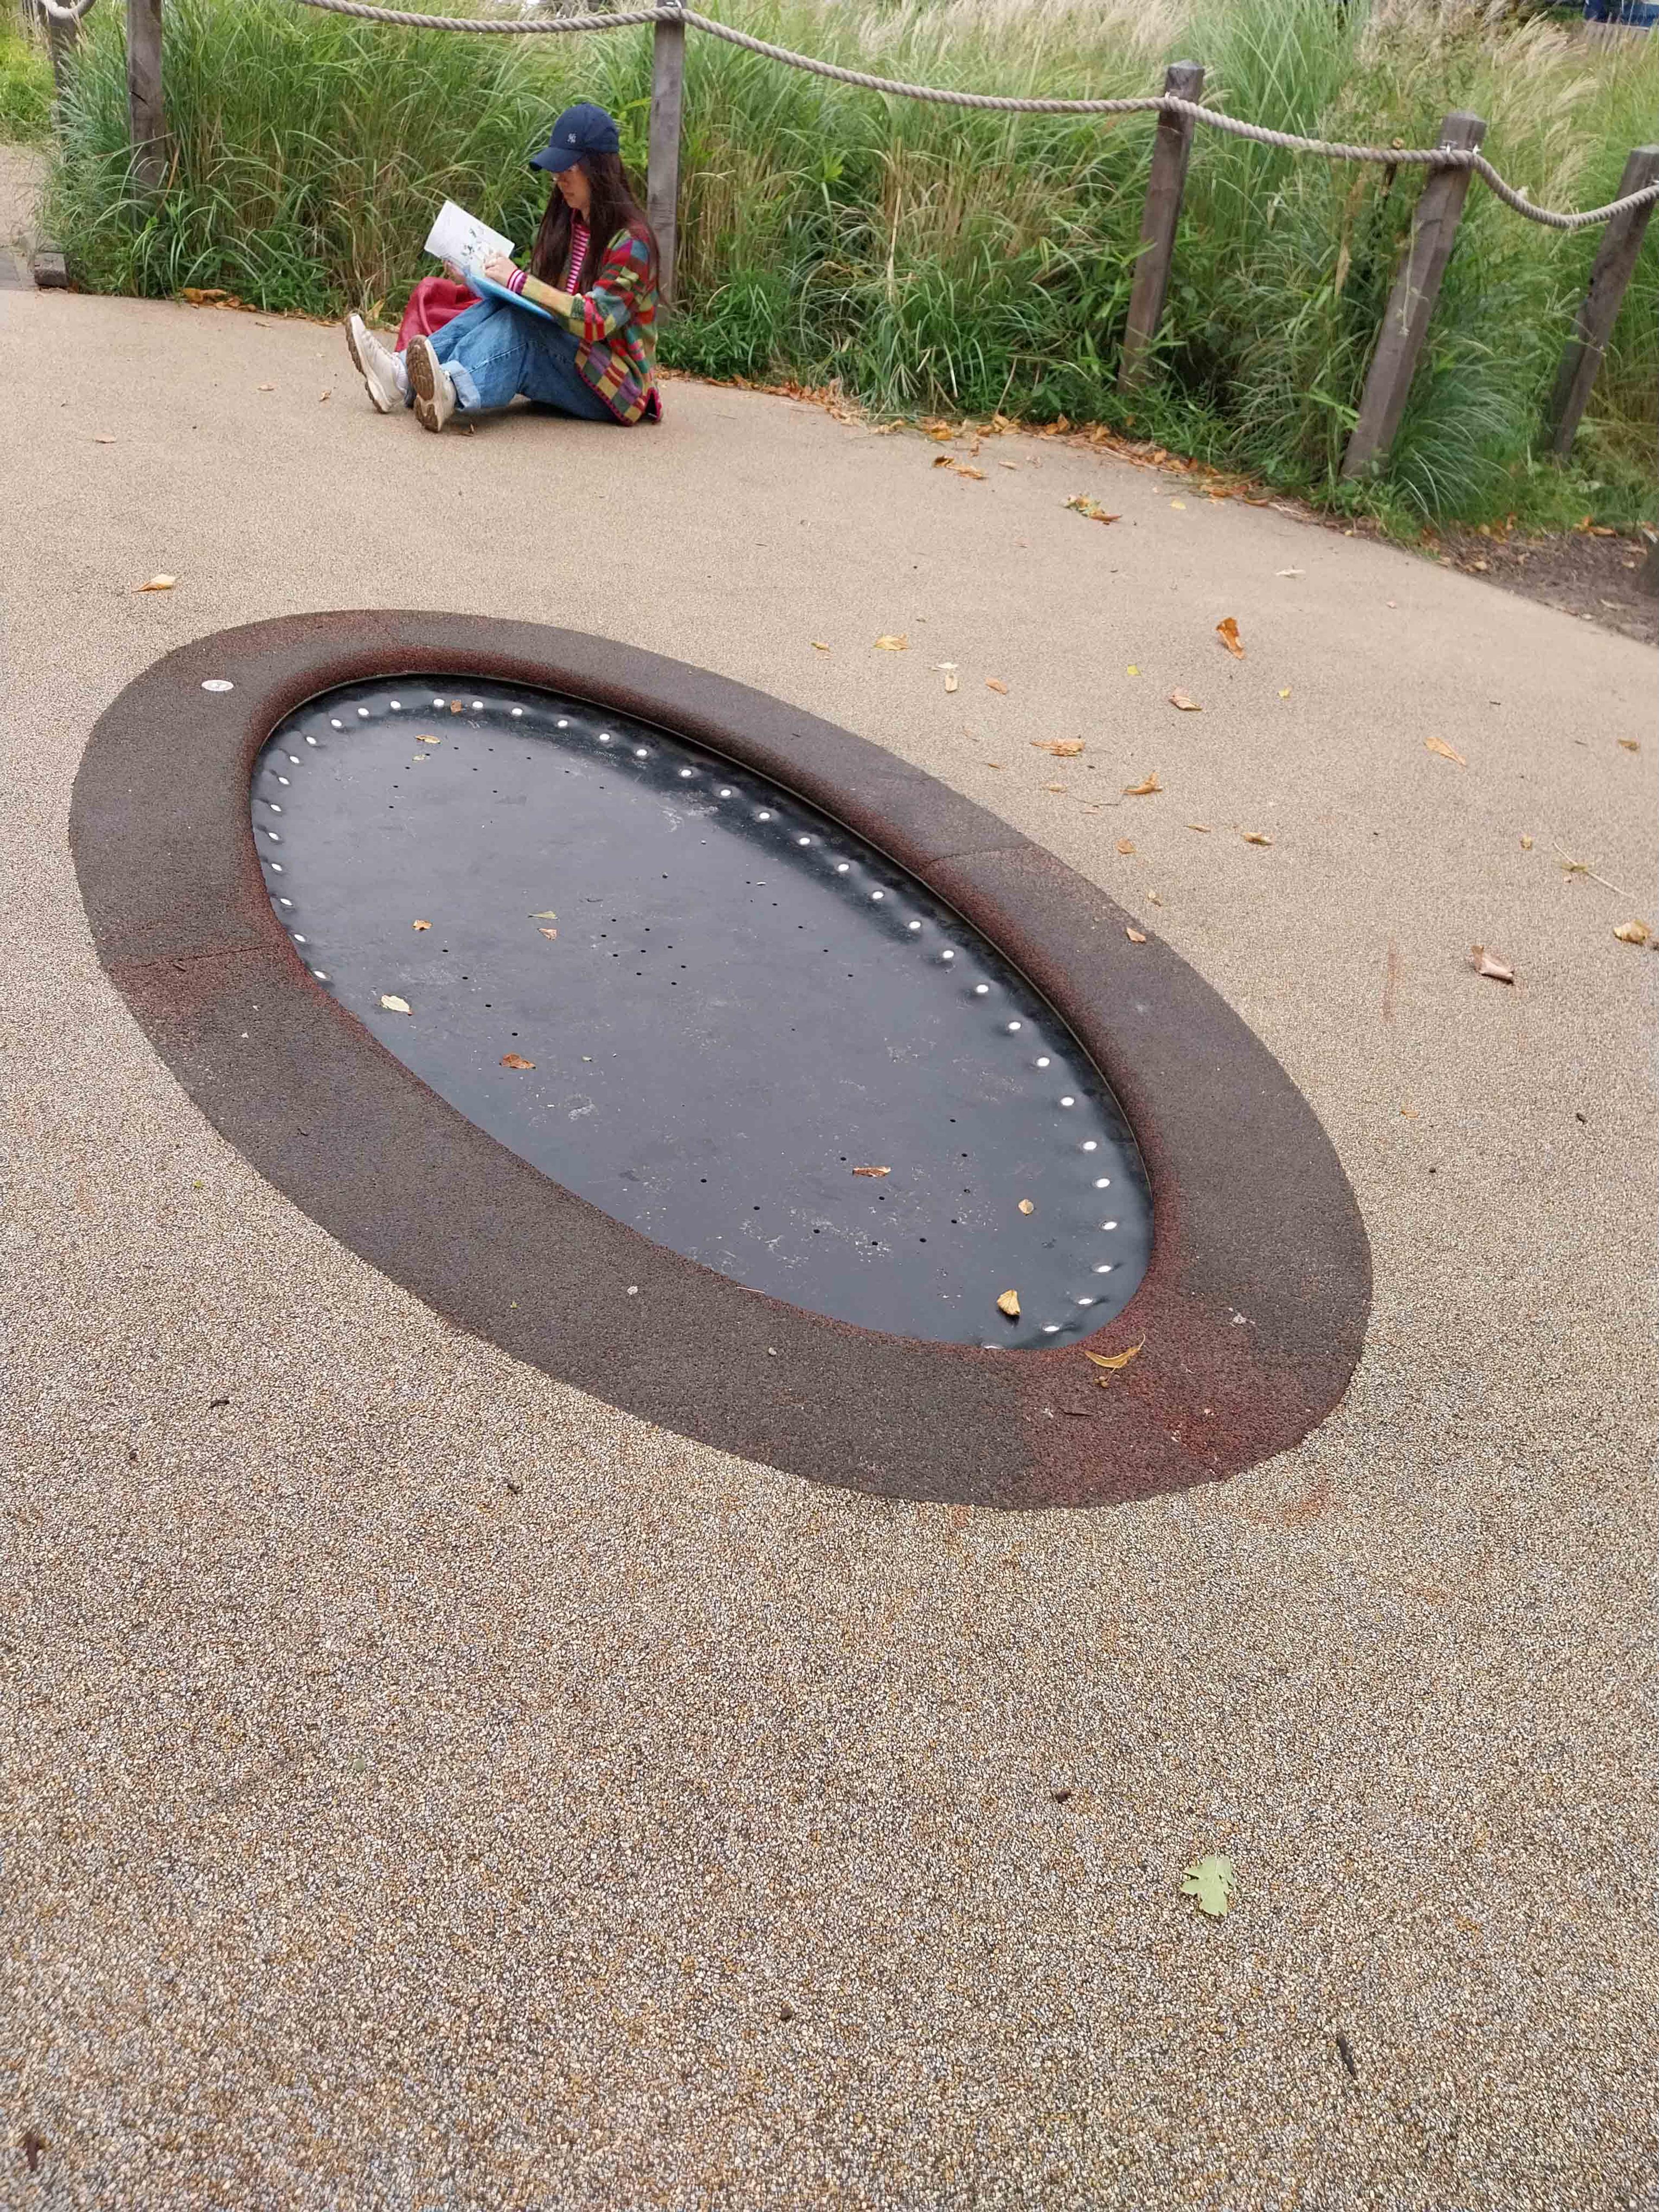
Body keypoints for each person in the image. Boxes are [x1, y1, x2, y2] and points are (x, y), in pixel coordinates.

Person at [344, 102, 661, 432]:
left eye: (568, 170)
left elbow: (595, 321)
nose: (559, 180)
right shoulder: (571, 221)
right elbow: (550, 301)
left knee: (523, 324)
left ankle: (450, 389)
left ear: (599, 169)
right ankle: (399, 376)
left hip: (615, 386)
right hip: (571, 357)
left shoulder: (632, 242)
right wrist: (477, 278)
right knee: (504, 304)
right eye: (556, 171)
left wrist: (519, 281)